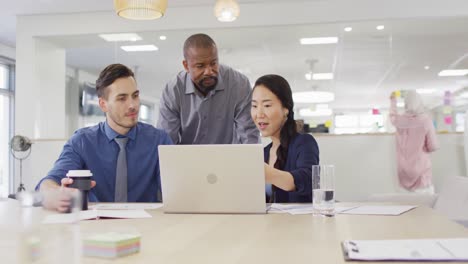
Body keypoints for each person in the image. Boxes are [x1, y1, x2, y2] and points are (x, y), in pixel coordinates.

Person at [36, 64, 173, 212]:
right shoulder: (82, 141)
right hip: (96, 226)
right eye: (122, 99)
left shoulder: (159, 141)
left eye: (135, 95)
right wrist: (53, 195)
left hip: (147, 225)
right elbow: (49, 183)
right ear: (103, 104)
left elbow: (177, 189)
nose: (133, 105)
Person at [157, 33, 260, 144]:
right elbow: (166, 141)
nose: (209, 71)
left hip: (229, 158)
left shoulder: (238, 84)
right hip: (186, 158)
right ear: (186, 66)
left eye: (213, 63)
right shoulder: (173, 90)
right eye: (200, 66)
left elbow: (249, 134)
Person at [251, 74, 319, 203]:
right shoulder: (264, 152)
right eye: (254, 106)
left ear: (286, 109)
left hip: (300, 222)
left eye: (267, 105)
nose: (259, 114)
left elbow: (308, 180)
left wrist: (269, 173)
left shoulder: (304, 142)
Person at [389, 90, 438, 194]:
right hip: (421, 172)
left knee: (406, 207)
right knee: (425, 206)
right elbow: (433, 146)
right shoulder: (425, 121)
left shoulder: (399, 120)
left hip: (402, 172)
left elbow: (392, 116)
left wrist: (393, 101)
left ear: (406, 103)